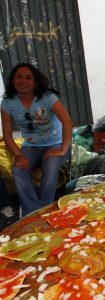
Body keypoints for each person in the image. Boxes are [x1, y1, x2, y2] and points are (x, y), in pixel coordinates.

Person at [1, 63, 73, 216]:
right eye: (18, 77)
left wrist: (62, 150)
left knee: (50, 165)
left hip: (57, 143)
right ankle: (33, 213)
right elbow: (7, 134)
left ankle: (45, 210)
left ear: (35, 82)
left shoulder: (47, 98)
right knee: (18, 169)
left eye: (28, 77)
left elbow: (67, 122)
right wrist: (18, 155)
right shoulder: (7, 102)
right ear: (13, 80)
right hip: (31, 146)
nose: (23, 80)